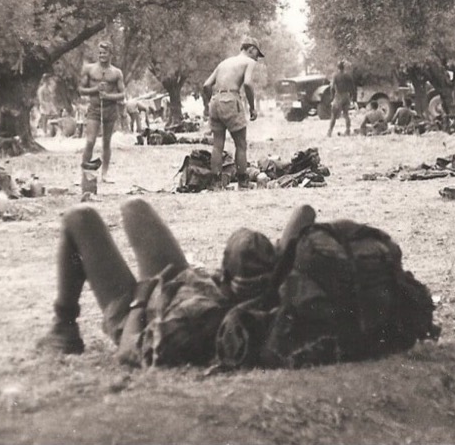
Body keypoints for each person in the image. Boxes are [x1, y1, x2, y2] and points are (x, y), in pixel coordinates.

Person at [36, 198, 315, 357]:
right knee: (134, 206)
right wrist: (281, 260)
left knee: (79, 218)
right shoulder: (271, 290)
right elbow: (304, 213)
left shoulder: (195, 318)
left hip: (143, 312)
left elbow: (129, 352)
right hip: (179, 284)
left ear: (226, 274)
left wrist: (140, 300)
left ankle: (64, 326)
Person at [202, 36, 263, 189]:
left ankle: (216, 183)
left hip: (215, 100)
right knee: (241, 144)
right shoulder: (249, 62)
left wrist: (211, 102)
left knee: (217, 145)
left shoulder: (224, 63)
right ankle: (243, 182)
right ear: (251, 49)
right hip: (231, 99)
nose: (257, 58)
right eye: (257, 54)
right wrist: (252, 107)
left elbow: (206, 85)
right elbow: (247, 84)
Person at [79, 42, 126, 183]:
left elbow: (122, 94)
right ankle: (85, 174)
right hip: (94, 109)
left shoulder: (116, 72)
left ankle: (104, 174)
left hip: (110, 110)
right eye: (100, 53)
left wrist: (107, 96)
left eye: (104, 53)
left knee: (106, 142)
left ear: (111, 54)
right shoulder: (90, 69)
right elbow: (81, 90)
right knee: (90, 141)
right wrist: (95, 89)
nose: (102, 55)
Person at [326, 60, 357, 137]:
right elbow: (353, 88)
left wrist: (332, 97)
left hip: (338, 96)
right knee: (346, 114)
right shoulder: (348, 76)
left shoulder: (335, 76)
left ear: (338, 67)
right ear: (344, 67)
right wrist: (354, 99)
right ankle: (348, 130)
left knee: (333, 115)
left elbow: (332, 87)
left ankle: (329, 132)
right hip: (346, 96)